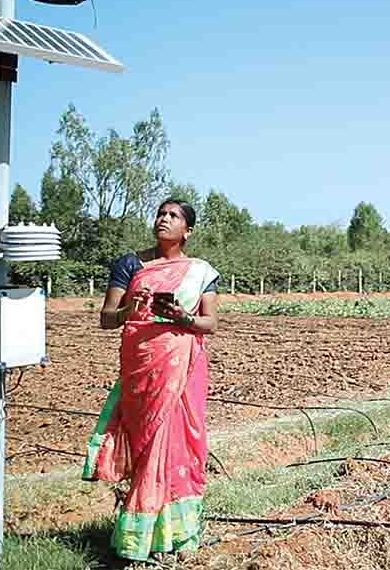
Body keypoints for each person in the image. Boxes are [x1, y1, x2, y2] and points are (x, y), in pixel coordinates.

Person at [82, 199, 220, 562]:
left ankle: (179, 535)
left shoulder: (200, 271)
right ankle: (140, 538)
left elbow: (210, 323)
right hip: (143, 368)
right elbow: (107, 318)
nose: (164, 219)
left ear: (187, 231)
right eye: (161, 213)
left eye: (174, 216)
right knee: (145, 447)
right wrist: (131, 309)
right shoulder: (129, 265)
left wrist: (183, 318)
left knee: (178, 445)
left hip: (182, 367)